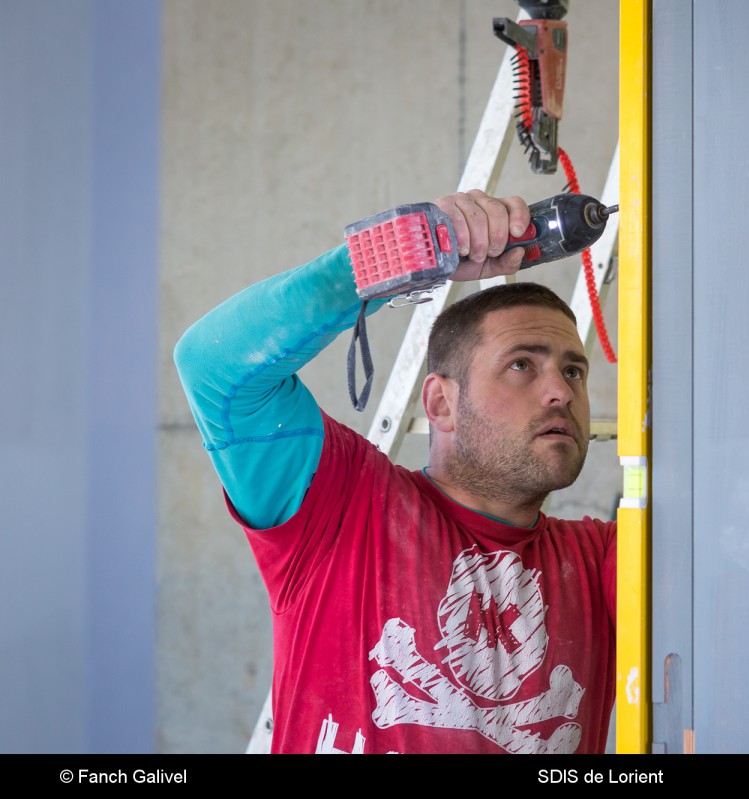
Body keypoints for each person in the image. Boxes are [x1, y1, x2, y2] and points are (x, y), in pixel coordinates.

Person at [174, 190, 616, 754]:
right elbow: (213, 366)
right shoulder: (339, 506)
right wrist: (397, 255)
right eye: (521, 365)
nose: (560, 392)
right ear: (440, 404)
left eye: (573, 371)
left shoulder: (602, 561)